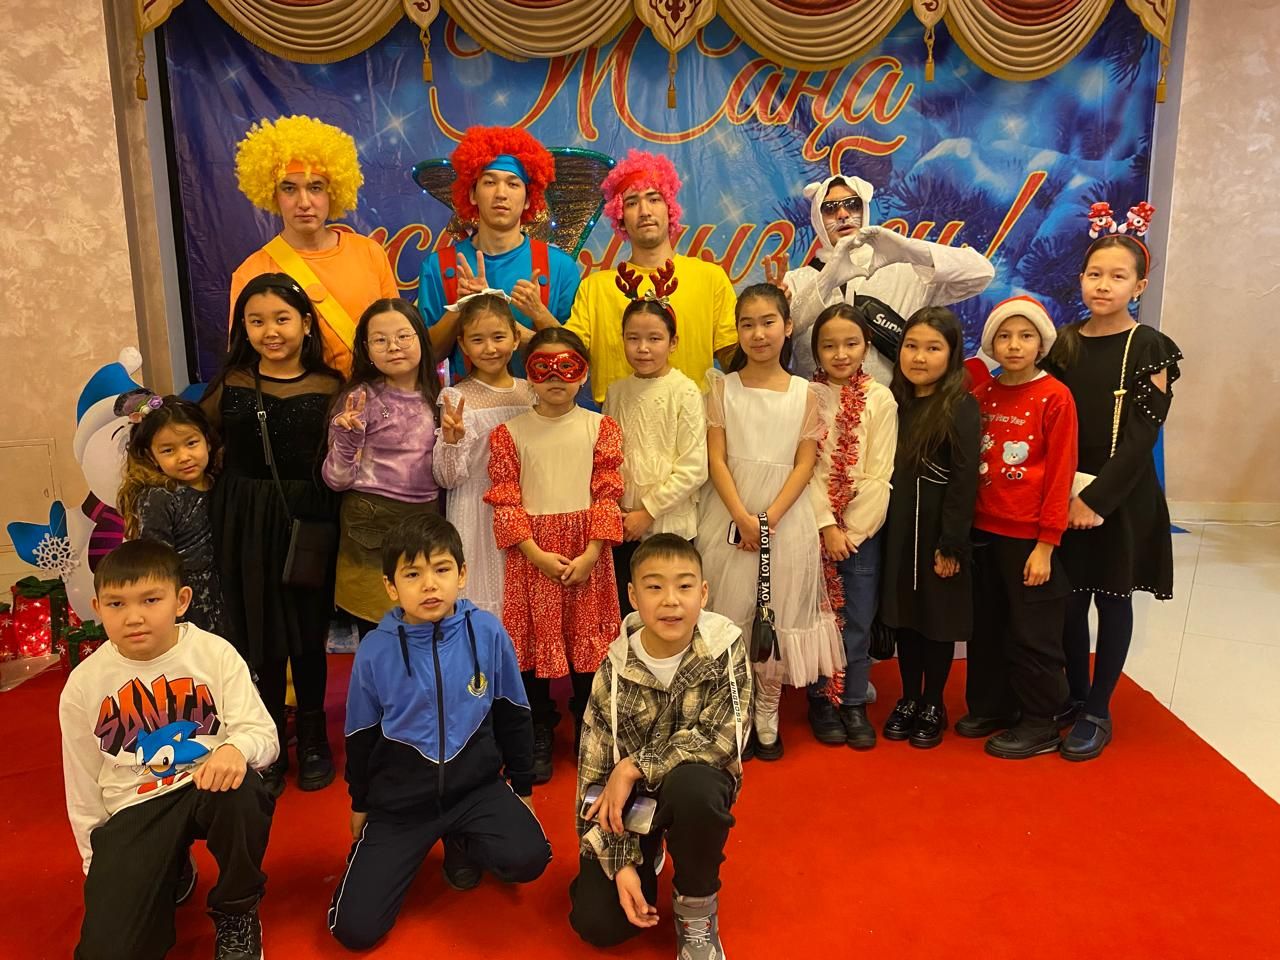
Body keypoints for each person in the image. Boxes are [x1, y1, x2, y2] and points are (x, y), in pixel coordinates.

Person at [327, 514, 549, 950]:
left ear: (461, 575)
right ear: (391, 587)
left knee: (530, 858)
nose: (429, 585)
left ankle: (461, 840)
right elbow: (360, 737)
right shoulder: (374, 651)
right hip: (401, 806)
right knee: (355, 931)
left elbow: (514, 713)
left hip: (475, 790)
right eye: (412, 574)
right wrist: (360, 801)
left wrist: (522, 785)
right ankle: (394, 852)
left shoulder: (487, 632)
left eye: (441, 569)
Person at [60, 540, 277, 960]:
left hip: (205, 786)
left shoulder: (214, 654)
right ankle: (172, 867)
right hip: (133, 806)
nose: (134, 617)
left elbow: (263, 734)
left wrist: (236, 747)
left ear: (181, 601)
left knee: (244, 790)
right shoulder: (83, 685)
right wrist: (99, 868)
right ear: (97, 608)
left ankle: (237, 909)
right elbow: (81, 784)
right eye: (117, 604)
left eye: (151, 600)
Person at [569, 535, 750, 960]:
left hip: (692, 787)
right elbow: (593, 779)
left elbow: (723, 741)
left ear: (703, 593)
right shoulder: (613, 669)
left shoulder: (725, 648)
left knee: (696, 790)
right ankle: (650, 852)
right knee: (598, 925)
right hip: (632, 807)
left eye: (684, 586)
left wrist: (634, 765)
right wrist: (620, 863)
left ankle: (696, 909)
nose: (671, 600)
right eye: (654, 586)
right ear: (633, 596)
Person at [201, 273, 343, 796]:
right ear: (243, 328)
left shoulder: (331, 387)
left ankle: (313, 736)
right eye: (256, 321)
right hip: (242, 519)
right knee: (255, 633)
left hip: (307, 522)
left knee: (306, 633)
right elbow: (193, 434)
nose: (270, 331)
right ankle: (268, 739)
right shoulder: (233, 381)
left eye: (282, 319)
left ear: (305, 323)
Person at [1042, 234, 1181, 762]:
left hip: (1120, 493)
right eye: (1095, 274)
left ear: (1138, 286)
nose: (1104, 285)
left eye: (1118, 277)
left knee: (1111, 596)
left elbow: (1144, 435)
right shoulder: (1062, 343)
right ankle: (1076, 692)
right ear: (1081, 278)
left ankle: (1099, 708)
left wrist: (1096, 499)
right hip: (1064, 488)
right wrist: (1060, 494)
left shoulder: (1149, 347)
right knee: (1069, 599)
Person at [696, 284, 842, 761]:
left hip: (786, 520)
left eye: (767, 322)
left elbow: (805, 463)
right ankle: (732, 710)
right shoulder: (722, 388)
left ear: (787, 326)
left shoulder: (807, 393)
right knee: (729, 616)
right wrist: (742, 517)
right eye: (747, 324)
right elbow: (716, 459)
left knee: (775, 614)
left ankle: (767, 708)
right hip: (727, 515)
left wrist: (767, 519)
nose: (758, 334)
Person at [484, 327, 624, 783]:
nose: (556, 378)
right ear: (529, 375)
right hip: (533, 554)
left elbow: (607, 493)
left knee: (588, 644)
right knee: (533, 645)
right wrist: (535, 553)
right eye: (543, 368)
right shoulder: (509, 434)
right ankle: (538, 727)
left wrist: (592, 552)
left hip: (588, 552)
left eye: (568, 367)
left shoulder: (601, 428)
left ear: (583, 374)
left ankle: (590, 723)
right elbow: (506, 499)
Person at [962, 297, 1077, 759]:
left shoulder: (1055, 397)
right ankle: (993, 706)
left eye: (1025, 336)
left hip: (1028, 536)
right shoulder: (982, 394)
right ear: (991, 343)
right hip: (983, 532)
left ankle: (1040, 721)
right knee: (988, 626)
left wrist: (1047, 543)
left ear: (1041, 344)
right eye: (1004, 337)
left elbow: (1060, 473)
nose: (1014, 345)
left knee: (1033, 633)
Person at [879, 307, 981, 749]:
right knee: (906, 618)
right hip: (899, 531)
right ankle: (907, 697)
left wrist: (951, 543)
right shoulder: (894, 402)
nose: (919, 357)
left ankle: (933, 701)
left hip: (938, 533)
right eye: (911, 346)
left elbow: (964, 479)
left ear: (952, 354)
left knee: (936, 618)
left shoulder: (960, 406)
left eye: (933, 348)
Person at [781, 174, 995, 382]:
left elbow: (981, 273)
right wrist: (825, 281)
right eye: (830, 208)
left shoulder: (906, 271)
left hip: (895, 404)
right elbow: (782, 336)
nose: (843, 214)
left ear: (864, 209)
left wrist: (909, 250)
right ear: (817, 218)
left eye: (853, 204)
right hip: (817, 404)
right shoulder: (795, 281)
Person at [565, 150, 738, 405]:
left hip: (693, 421)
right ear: (620, 217)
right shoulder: (594, 288)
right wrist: (531, 321)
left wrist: (770, 316)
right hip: (618, 422)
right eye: (632, 202)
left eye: (654, 199)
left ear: (670, 209)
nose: (644, 211)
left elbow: (735, 359)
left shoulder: (710, 278)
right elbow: (565, 352)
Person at [230, 115, 397, 378]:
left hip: (374, 397)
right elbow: (244, 363)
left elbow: (395, 335)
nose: (304, 202)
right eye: (289, 189)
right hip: (294, 400)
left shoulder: (369, 253)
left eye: (315, 187)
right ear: (273, 194)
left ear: (332, 191)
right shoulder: (251, 272)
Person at [802, 304, 898, 749]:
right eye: (829, 346)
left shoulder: (880, 399)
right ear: (816, 351)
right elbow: (806, 470)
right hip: (813, 529)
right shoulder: (807, 396)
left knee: (857, 620)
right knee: (816, 616)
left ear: (866, 346)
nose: (840, 354)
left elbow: (880, 475)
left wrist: (851, 533)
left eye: (850, 344)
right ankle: (821, 700)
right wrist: (826, 525)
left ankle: (854, 701)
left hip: (862, 534)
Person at [418, 126, 579, 380]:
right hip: (467, 403)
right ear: (472, 194)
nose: (501, 194)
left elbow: (574, 358)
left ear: (528, 199)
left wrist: (538, 314)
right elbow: (428, 356)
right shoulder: (438, 266)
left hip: (542, 403)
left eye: (513, 184)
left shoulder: (560, 267)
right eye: (490, 182)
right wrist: (459, 308)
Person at [323, 299, 441, 636]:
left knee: (423, 629)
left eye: (404, 336)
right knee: (379, 633)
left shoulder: (440, 397)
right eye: (380, 339)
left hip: (425, 522)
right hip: (370, 522)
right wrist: (347, 439)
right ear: (366, 349)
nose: (393, 346)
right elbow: (336, 480)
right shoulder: (359, 398)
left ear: (421, 338)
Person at [603, 277, 707, 614]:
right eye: (633, 338)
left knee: (668, 608)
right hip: (623, 526)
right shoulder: (616, 392)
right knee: (628, 608)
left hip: (668, 523)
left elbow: (694, 468)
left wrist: (647, 512)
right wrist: (617, 510)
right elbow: (606, 457)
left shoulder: (685, 391)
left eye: (654, 338)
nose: (643, 348)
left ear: (673, 342)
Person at [432, 293, 535, 619]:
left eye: (498, 337)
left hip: (527, 510)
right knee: (480, 606)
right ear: (463, 344)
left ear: (516, 338)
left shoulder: (531, 392)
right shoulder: (456, 397)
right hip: (476, 512)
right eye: (477, 340)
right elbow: (448, 478)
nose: (490, 348)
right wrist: (451, 442)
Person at [116, 393, 228, 639]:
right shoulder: (160, 497)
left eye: (191, 443)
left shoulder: (220, 483)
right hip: (184, 599)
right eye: (168, 450)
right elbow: (156, 561)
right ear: (151, 456)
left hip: (225, 592)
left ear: (207, 442)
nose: (184, 456)